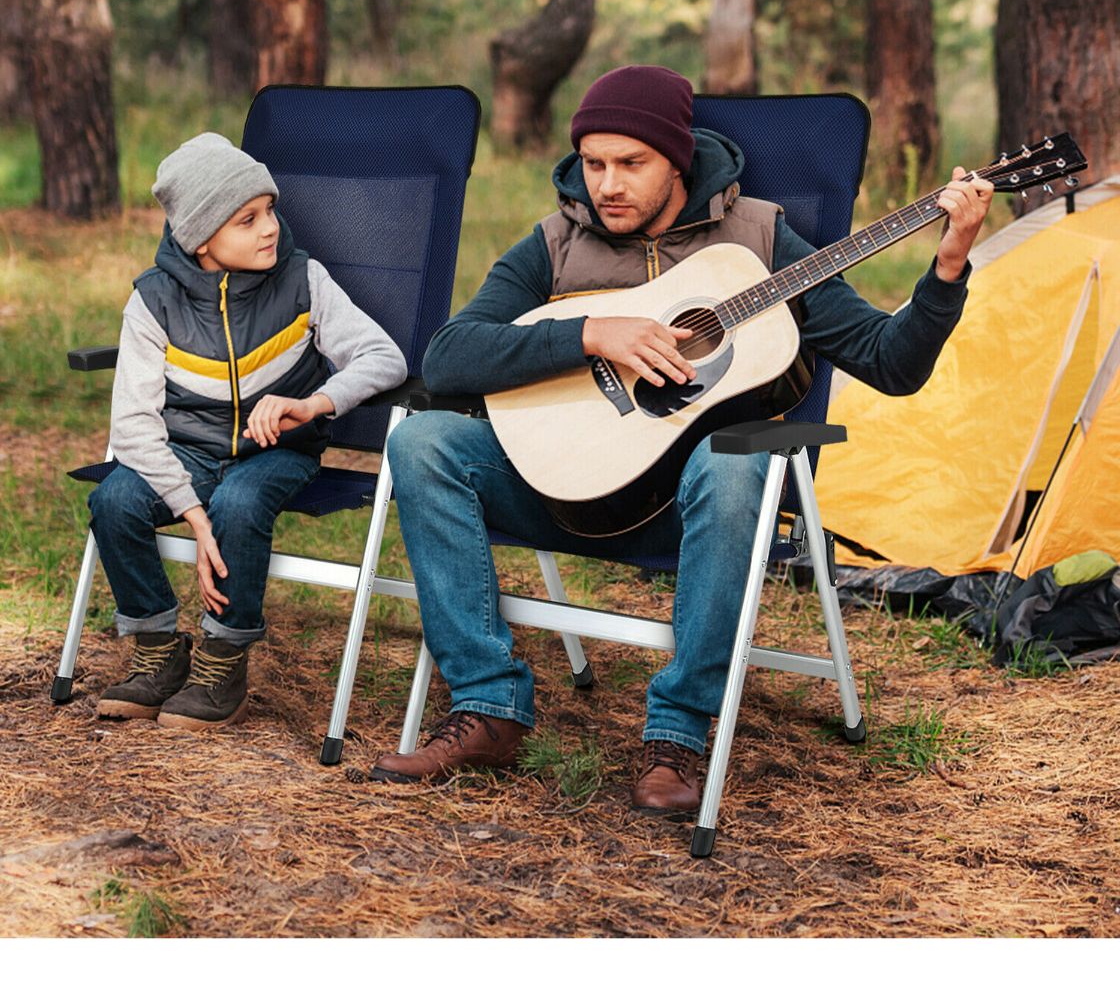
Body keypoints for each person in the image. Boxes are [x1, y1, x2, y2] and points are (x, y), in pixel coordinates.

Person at [372, 65, 993, 814]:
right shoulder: (558, 242)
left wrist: (950, 261)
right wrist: (592, 334)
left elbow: (892, 364)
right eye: (594, 164)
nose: (607, 185)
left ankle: (676, 736)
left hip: (698, 508)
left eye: (630, 164)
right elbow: (449, 357)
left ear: (678, 160)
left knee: (734, 464)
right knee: (424, 442)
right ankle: (488, 707)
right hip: (568, 490)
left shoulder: (758, 242)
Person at [90, 132, 407, 731]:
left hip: (276, 452)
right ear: (202, 239)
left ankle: (222, 662)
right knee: (114, 501)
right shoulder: (153, 303)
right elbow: (132, 428)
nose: (269, 229)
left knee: (238, 501)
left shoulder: (303, 281)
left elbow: (382, 357)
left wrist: (314, 403)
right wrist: (192, 514)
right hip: (187, 451)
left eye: (270, 211)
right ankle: (158, 652)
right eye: (247, 219)